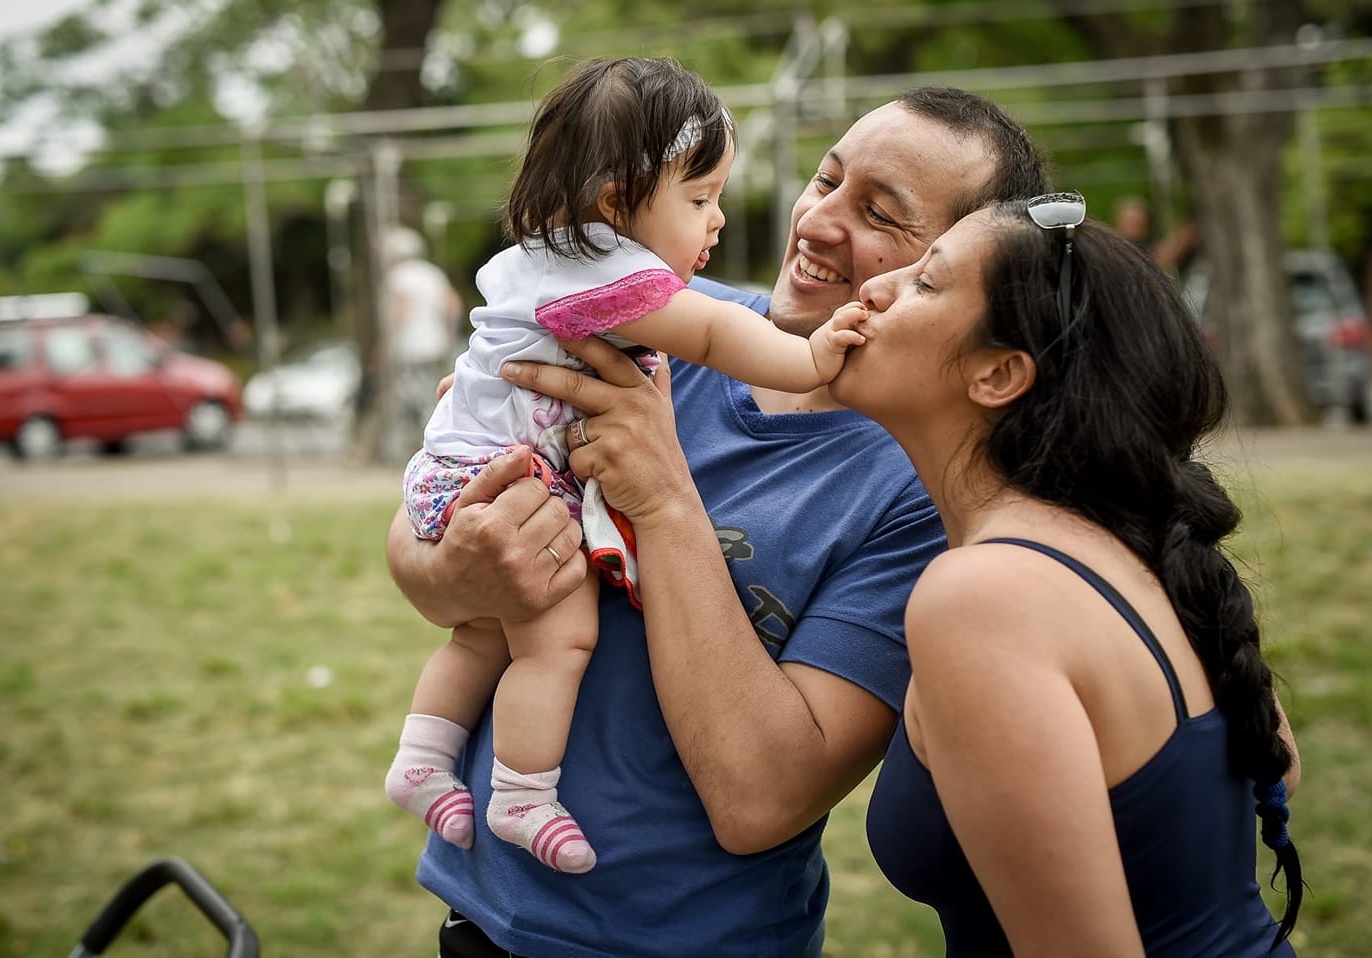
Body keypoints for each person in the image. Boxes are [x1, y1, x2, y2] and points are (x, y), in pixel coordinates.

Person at [385, 82, 1050, 958]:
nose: (815, 221)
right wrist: (453, 569)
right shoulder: (658, 323)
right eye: (826, 179)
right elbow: (428, 520)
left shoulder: (929, 502)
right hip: (480, 919)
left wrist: (663, 501)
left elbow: (760, 802)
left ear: (968, 273)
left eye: (881, 215)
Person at [386, 57, 864, 877]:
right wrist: (815, 354)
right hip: (493, 480)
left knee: (485, 633)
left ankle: (423, 759)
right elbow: (716, 337)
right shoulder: (618, 282)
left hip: (453, 468)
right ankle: (522, 794)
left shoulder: (554, 259)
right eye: (699, 199)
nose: (716, 221)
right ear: (615, 206)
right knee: (559, 633)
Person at [820, 194, 1301, 955]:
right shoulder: (1135, 548)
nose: (875, 287)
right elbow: (1276, 770)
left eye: (925, 282)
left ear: (999, 374)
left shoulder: (986, 598)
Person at [382, 226, 464, 437]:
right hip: (436, 345)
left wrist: (387, 342)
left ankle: (424, 436)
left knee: (410, 394)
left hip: (411, 347)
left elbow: (401, 312)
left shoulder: (399, 275)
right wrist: (450, 334)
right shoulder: (432, 273)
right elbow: (453, 304)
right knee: (429, 391)